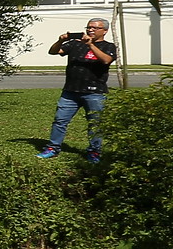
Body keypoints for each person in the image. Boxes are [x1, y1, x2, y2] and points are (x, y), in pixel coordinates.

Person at [40, 18, 117, 162]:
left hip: (95, 93)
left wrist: (91, 45)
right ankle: (53, 148)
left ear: (104, 31)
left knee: (95, 124)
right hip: (70, 92)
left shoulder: (108, 46)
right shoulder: (75, 44)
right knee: (60, 121)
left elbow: (106, 60)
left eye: (95, 28)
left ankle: (94, 151)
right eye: (89, 27)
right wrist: (60, 40)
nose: (91, 30)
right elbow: (53, 52)